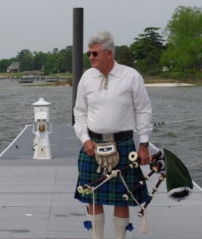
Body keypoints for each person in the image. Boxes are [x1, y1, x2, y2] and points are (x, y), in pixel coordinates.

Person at [73, 31, 153, 239]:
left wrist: (143, 144)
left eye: (95, 53)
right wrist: (85, 139)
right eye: (89, 53)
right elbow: (79, 111)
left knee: (122, 197)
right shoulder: (87, 77)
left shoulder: (131, 76)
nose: (90, 57)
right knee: (92, 195)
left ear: (109, 53)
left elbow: (144, 110)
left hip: (123, 143)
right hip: (93, 143)